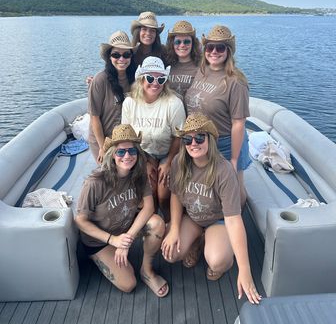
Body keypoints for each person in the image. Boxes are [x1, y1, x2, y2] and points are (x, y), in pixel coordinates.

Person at [161, 113, 261, 304]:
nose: (193, 143)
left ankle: (213, 242)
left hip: (218, 220)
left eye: (199, 137)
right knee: (171, 253)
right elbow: (175, 195)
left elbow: (233, 219)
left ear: (209, 139)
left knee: (217, 261)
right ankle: (198, 239)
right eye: (187, 139)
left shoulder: (223, 170)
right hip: (193, 217)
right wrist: (174, 229)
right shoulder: (178, 164)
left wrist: (245, 270)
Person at [75, 124, 169, 297]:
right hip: (100, 240)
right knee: (128, 284)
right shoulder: (95, 182)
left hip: (124, 229)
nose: (127, 156)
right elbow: (80, 220)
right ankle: (96, 258)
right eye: (121, 152)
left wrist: (125, 240)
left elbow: (148, 207)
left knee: (157, 224)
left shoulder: (138, 174)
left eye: (132, 151)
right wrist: (113, 240)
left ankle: (147, 271)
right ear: (112, 154)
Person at [184, 25, 250, 205]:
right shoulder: (201, 72)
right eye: (210, 47)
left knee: (234, 189)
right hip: (201, 141)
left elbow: (238, 124)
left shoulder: (235, 82)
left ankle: (239, 223)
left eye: (220, 48)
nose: (214, 52)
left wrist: (234, 160)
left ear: (228, 51)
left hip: (226, 143)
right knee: (211, 188)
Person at [121, 56, 186, 221]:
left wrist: (168, 161)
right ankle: (152, 222)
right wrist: (146, 161)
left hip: (168, 152)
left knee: (163, 193)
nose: (155, 82)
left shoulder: (173, 103)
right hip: (142, 152)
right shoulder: (129, 102)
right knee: (150, 189)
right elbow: (128, 137)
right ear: (141, 79)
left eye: (161, 78)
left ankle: (169, 222)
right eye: (150, 78)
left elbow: (178, 137)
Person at [88, 31, 138, 164]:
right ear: (109, 57)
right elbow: (94, 118)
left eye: (126, 55)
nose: (121, 59)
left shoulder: (135, 80)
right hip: (102, 138)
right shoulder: (100, 80)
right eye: (116, 55)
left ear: (131, 57)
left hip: (125, 138)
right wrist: (102, 147)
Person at [165, 20, 201, 98]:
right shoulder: (167, 65)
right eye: (178, 42)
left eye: (187, 42)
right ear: (172, 44)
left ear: (193, 44)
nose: (182, 45)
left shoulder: (201, 66)